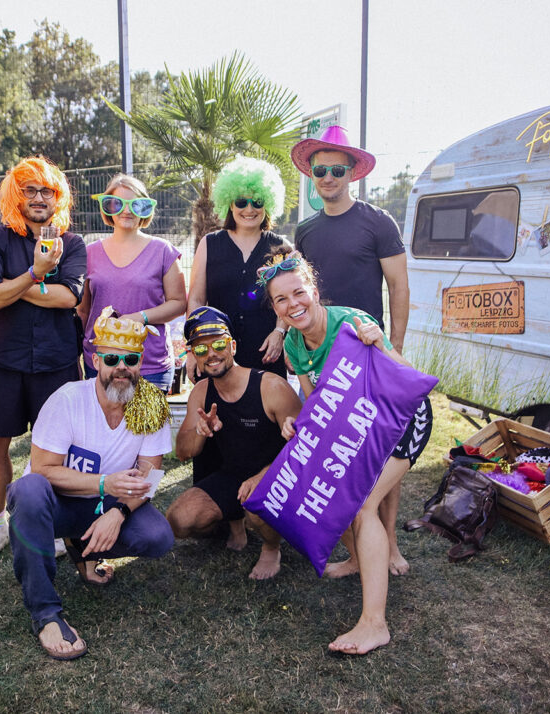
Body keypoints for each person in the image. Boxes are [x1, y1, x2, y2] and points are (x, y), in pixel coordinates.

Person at [252, 248, 432, 655]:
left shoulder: (351, 321)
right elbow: (318, 408)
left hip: (401, 419)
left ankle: (374, 624)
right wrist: (294, 424)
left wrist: (381, 345)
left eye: (298, 293)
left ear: (313, 291)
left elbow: (407, 376)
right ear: (276, 309)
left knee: (363, 505)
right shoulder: (296, 346)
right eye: (282, 300)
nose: (293, 304)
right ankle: (356, 560)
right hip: (360, 428)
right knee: (337, 489)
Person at [7, 308, 174, 660]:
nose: (121, 367)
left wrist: (117, 513)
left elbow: (150, 473)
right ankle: (46, 613)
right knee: (28, 491)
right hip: (57, 501)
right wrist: (105, 484)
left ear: (141, 361)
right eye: (111, 358)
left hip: (107, 503)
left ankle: (83, 550)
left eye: (130, 358)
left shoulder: (150, 403)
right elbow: (43, 469)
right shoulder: (68, 399)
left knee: (157, 536)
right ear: (96, 360)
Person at [290, 124, 417, 575]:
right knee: (340, 452)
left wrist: (394, 344)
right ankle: (356, 550)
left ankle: (392, 544)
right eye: (320, 170)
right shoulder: (304, 230)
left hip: (368, 351)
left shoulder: (378, 222)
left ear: (351, 174)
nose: (328, 177)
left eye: (336, 170)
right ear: (312, 174)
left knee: (382, 448)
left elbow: (399, 286)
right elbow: (297, 294)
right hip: (323, 356)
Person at [0, 156, 87, 564]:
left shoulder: (71, 243)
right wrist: (37, 274)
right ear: (14, 195)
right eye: (30, 190)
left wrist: (13, 286)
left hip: (57, 361)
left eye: (47, 191)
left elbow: (69, 298)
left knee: (54, 448)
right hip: (4, 360)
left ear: (59, 198)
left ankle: (48, 522)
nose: (39, 198)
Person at [166, 306, 300, 579]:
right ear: (195, 357)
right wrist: (200, 432)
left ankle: (272, 547)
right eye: (201, 350)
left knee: (256, 503)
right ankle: (235, 520)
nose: (211, 354)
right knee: (179, 520)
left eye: (218, 344)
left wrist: (264, 475)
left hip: (281, 476)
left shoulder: (271, 388)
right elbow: (182, 452)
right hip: (233, 478)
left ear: (233, 346)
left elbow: (306, 450)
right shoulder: (201, 392)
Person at [78, 174, 187, 392]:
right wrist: (77, 356)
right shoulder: (89, 253)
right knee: (104, 427)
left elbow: (178, 302)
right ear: (107, 207)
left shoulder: (163, 250)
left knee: (146, 427)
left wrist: (140, 317)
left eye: (136, 204)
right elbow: (83, 312)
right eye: (117, 203)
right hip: (101, 364)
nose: (126, 211)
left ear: (146, 209)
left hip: (149, 366)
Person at [187, 156, 290, 378]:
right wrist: (192, 349)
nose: (249, 209)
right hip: (216, 356)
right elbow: (196, 300)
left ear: (268, 203)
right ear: (230, 204)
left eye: (257, 202)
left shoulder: (281, 247)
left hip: (265, 355)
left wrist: (279, 332)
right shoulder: (209, 244)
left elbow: (291, 298)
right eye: (241, 202)